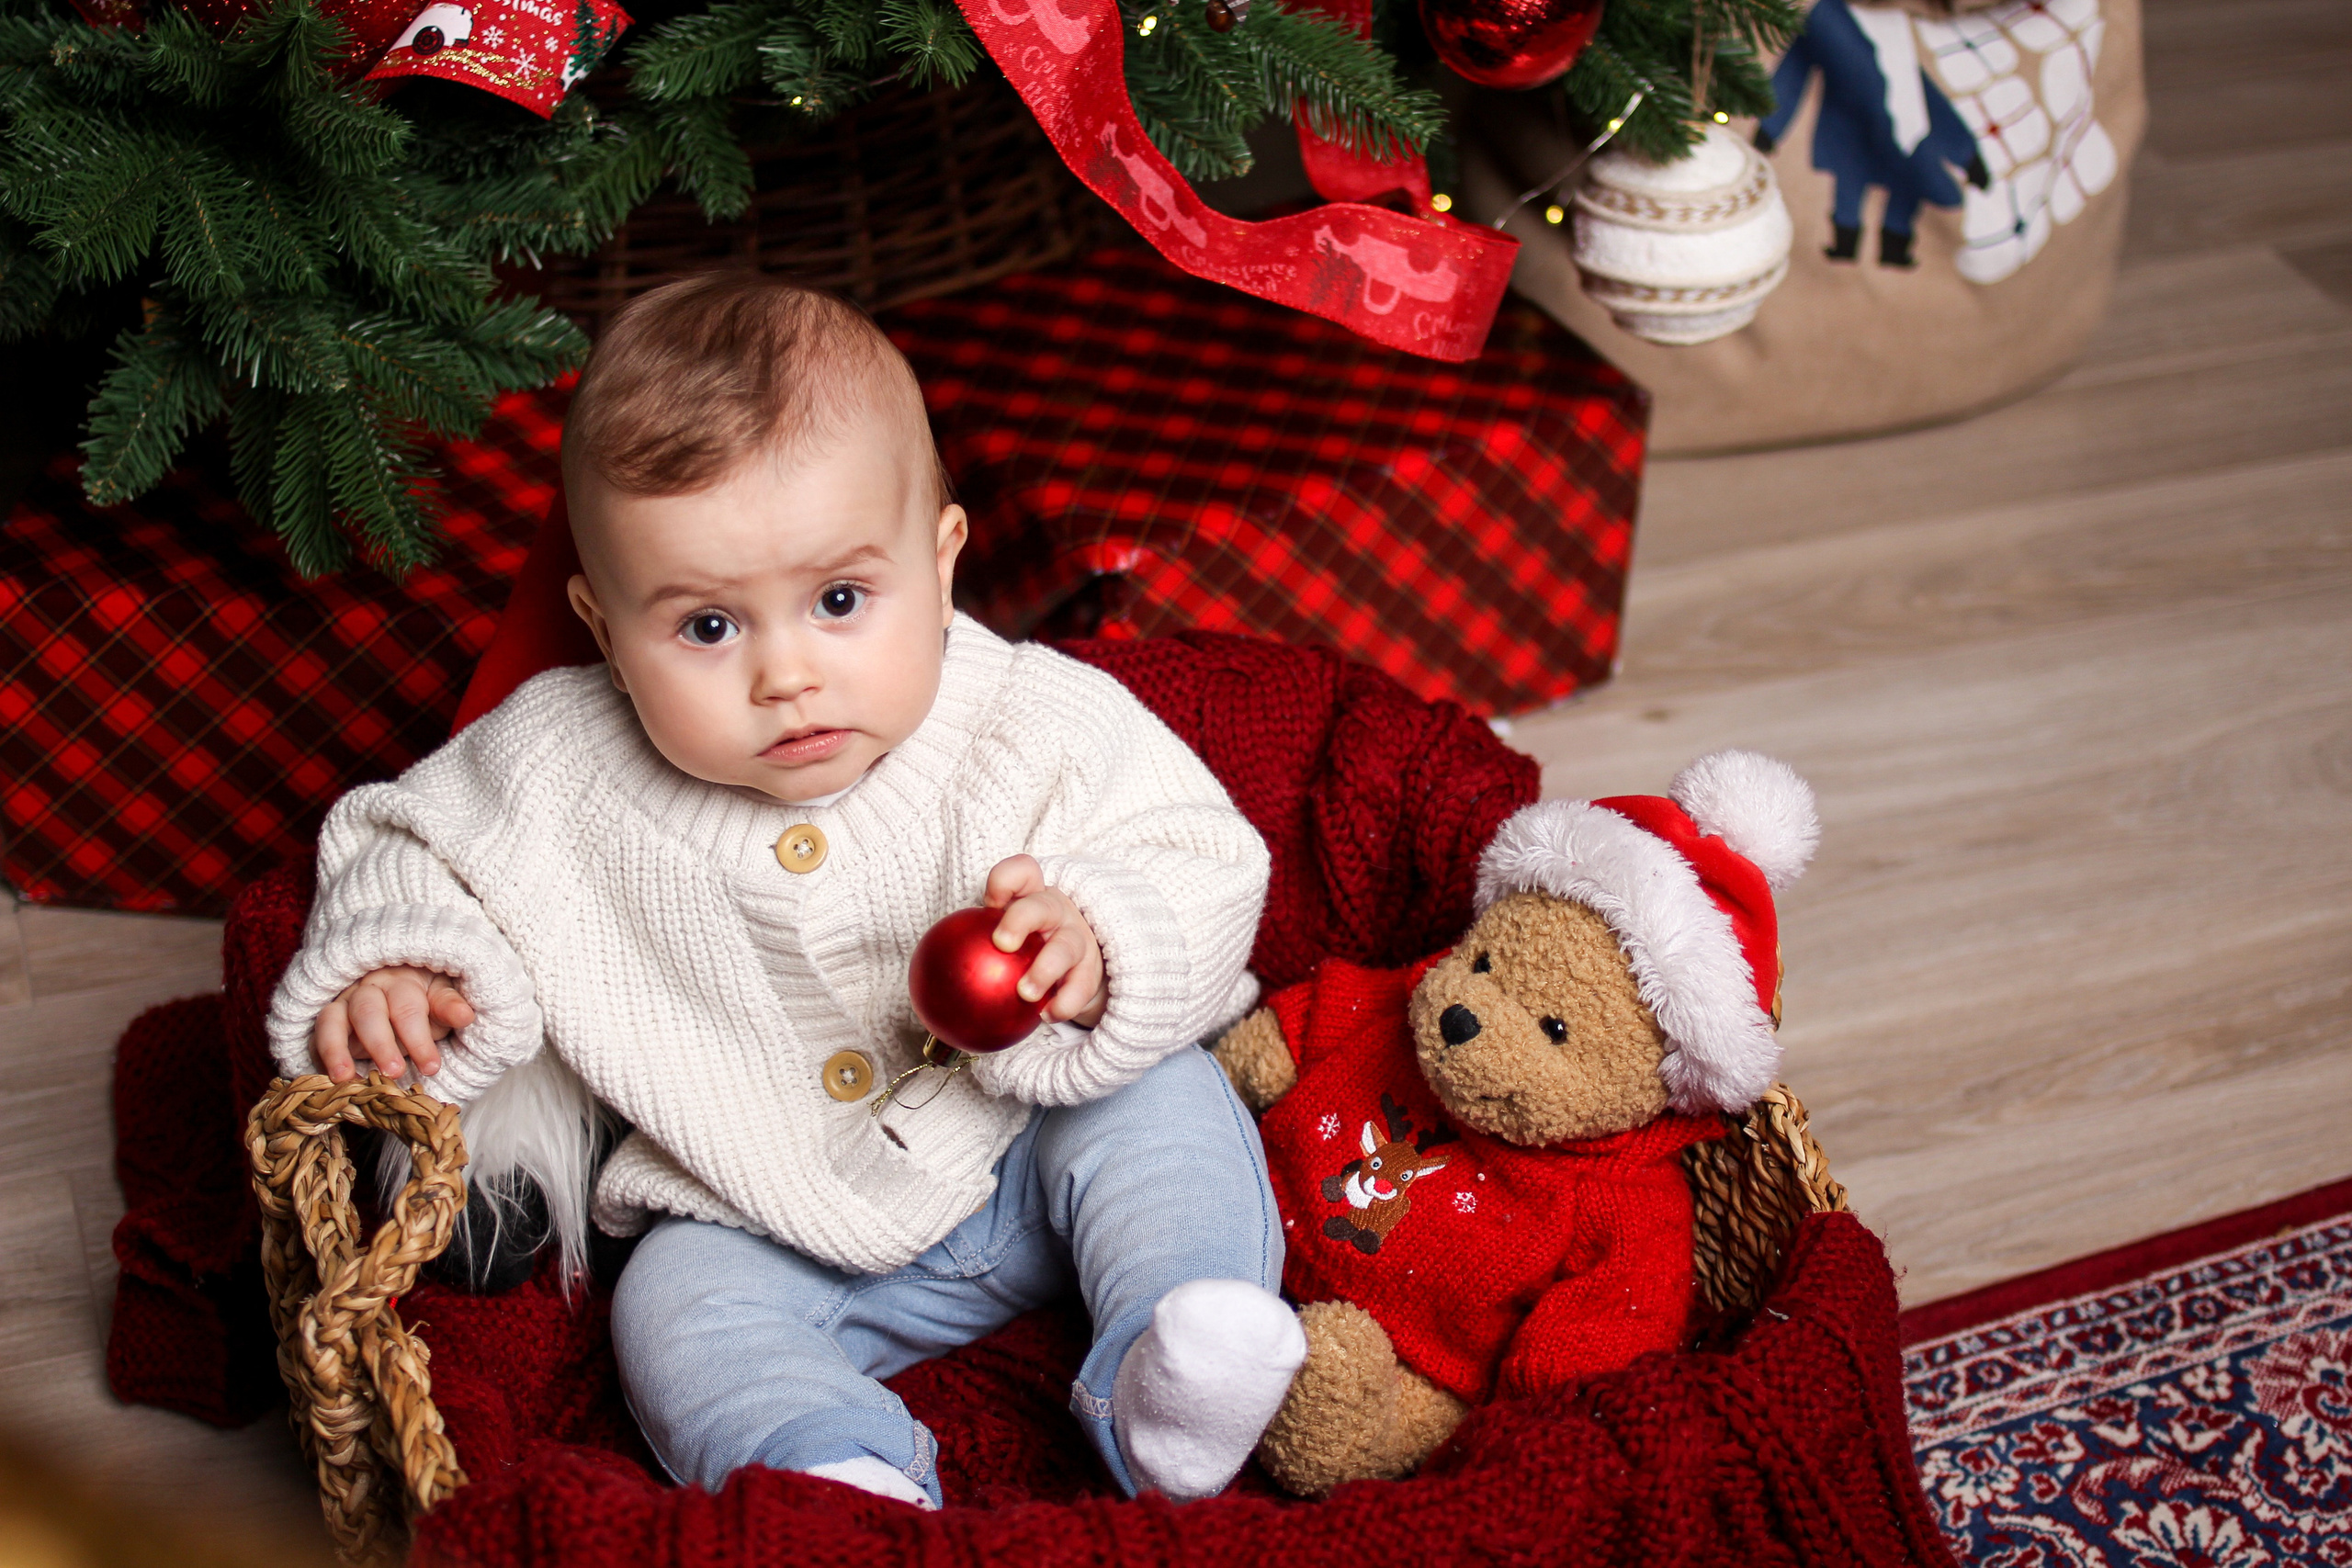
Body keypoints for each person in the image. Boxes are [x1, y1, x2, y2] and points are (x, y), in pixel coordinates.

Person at [265, 271, 1301, 1508]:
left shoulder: (1030, 717)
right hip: (753, 1209)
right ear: (602, 630)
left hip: (1023, 1139)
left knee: (1167, 1105)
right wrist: (404, 959)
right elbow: (401, 837)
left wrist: (1102, 938)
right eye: (707, 628)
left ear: (943, 560)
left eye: (842, 601)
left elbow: (1201, 852)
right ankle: (831, 1472)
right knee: (672, 1311)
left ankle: (1168, 1362)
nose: (786, 675)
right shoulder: (557, 760)